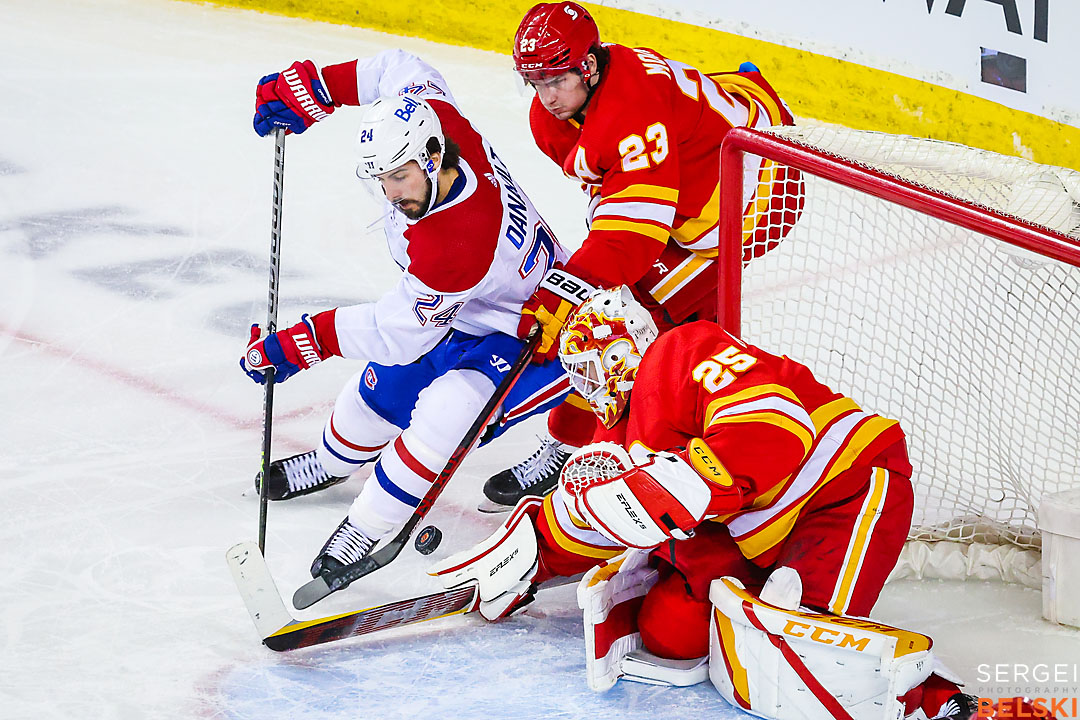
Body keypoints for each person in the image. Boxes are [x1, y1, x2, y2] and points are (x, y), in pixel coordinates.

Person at [432, 287, 977, 720]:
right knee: (672, 633)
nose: (591, 387)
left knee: (795, 657)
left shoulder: (683, 350)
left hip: (842, 488)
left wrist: (681, 483)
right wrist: (537, 552)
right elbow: (604, 511)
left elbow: (776, 426)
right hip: (751, 525)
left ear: (624, 350)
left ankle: (938, 703)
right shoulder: (615, 429)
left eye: (594, 369)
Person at [241, 50, 571, 594]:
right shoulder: (436, 119)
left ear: (432, 154)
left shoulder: (457, 241)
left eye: (399, 176)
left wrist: (305, 341)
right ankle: (330, 460)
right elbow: (398, 69)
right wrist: (318, 86)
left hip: (533, 330)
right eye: (382, 178)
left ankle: (365, 529)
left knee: (447, 411)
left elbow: (397, 333)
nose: (391, 193)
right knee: (380, 393)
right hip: (469, 304)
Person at [481, 1, 805, 512]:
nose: (546, 97)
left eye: (555, 80)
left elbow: (632, 237)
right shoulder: (558, 116)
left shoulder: (630, 114)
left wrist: (570, 288)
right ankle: (651, 427)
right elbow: (614, 193)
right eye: (535, 82)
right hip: (699, 155)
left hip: (760, 191)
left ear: (588, 65)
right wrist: (586, 276)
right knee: (629, 311)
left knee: (629, 322)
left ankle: (581, 450)